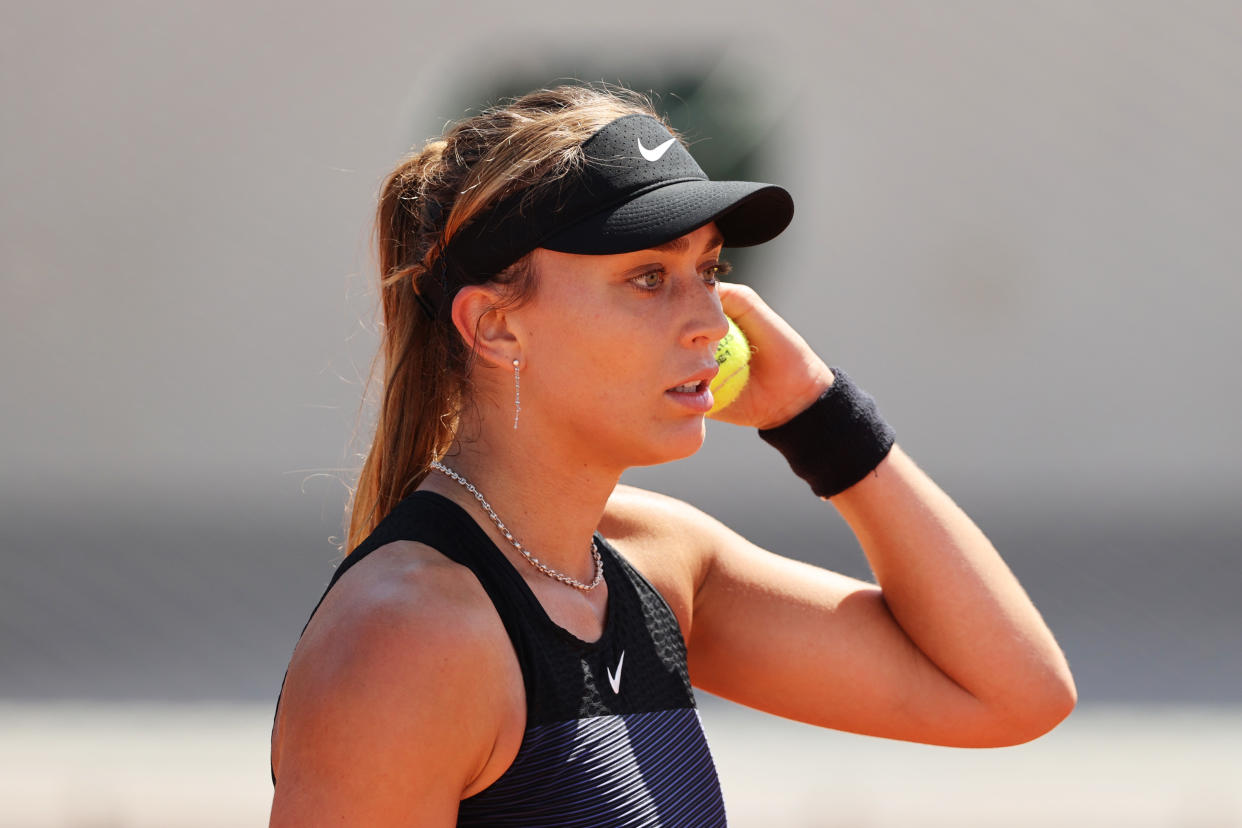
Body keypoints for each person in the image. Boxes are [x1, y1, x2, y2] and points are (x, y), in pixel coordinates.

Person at [268, 84, 1076, 826]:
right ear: (495, 326)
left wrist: (822, 419)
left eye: (709, 269)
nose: (712, 324)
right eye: (649, 277)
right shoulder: (406, 637)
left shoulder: (652, 561)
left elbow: (1012, 693)